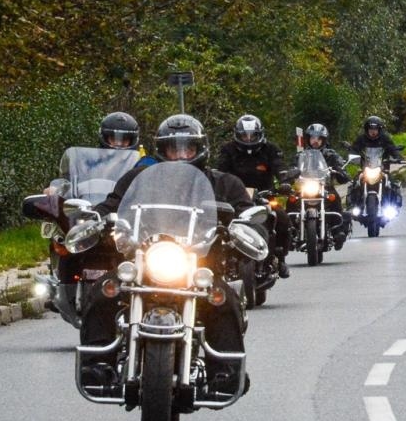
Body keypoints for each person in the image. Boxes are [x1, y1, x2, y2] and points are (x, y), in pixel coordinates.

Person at [82, 114, 252, 388]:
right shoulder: (139, 179)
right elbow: (113, 204)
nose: (181, 155)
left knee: (223, 298)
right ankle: (97, 364)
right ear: (162, 150)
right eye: (174, 148)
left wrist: (246, 226)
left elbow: (246, 213)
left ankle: (226, 371)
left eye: (188, 148)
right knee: (104, 291)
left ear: (200, 149)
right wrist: (94, 219)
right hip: (144, 262)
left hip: (199, 266)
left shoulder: (223, 184)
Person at [215, 114, 292, 278]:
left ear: (260, 134)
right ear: (237, 135)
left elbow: (280, 166)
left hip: (264, 197)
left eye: (252, 136)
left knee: (283, 219)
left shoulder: (270, 149)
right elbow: (220, 172)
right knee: (218, 224)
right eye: (245, 135)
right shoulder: (227, 150)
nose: (248, 139)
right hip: (235, 199)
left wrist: (285, 180)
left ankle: (280, 257)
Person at [301, 123, 352, 246]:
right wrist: (289, 174)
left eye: (319, 139)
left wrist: (341, 172)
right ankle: (291, 231)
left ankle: (338, 231)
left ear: (324, 140)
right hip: (306, 187)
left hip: (325, 187)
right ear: (308, 139)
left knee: (335, 200)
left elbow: (340, 166)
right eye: (313, 138)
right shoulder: (302, 155)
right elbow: (293, 166)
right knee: (292, 201)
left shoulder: (331, 154)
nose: (315, 141)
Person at [347, 116, 404, 208]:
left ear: (379, 130)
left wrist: (398, 157)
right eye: (370, 129)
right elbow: (354, 149)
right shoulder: (361, 139)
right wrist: (352, 157)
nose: (373, 131)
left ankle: (394, 205)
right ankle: (353, 205)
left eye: (375, 129)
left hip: (382, 168)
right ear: (367, 129)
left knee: (392, 183)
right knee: (355, 183)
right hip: (365, 168)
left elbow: (392, 149)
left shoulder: (385, 138)